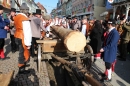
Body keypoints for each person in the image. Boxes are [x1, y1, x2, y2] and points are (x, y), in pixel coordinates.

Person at [13, 3, 32, 74]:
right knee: (22, 52)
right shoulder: (25, 19)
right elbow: (27, 32)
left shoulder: (17, 17)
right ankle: (21, 68)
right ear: (25, 10)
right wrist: (28, 43)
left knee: (20, 52)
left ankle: (22, 65)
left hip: (17, 35)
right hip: (22, 37)